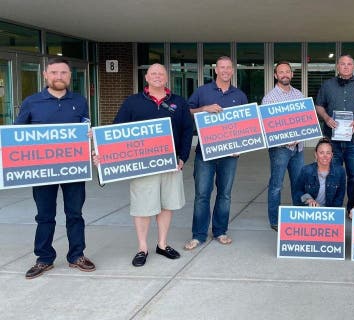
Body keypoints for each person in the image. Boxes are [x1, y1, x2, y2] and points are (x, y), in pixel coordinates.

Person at [15, 58, 95, 279]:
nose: (59, 77)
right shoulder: (31, 102)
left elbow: (85, 128)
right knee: (45, 216)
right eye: (54, 72)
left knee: (75, 214)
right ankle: (44, 258)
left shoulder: (80, 101)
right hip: (43, 171)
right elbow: (16, 135)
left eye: (63, 73)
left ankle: (76, 255)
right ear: (45, 75)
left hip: (74, 169)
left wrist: (89, 136)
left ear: (70, 76)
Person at [111, 63, 193, 267]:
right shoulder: (132, 102)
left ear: (166, 78)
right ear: (146, 77)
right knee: (143, 207)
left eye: (161, 74)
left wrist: (182, 157)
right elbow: (117, 130)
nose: (157, 76)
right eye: (153, 73)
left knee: (167, 205)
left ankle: (162, 244)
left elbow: (186, 130)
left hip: (171, 164)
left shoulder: (178, 102)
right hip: (143, 166)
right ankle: (142, 248)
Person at [185, 56, 248, 249]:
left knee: (225, 195)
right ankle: (198, 235)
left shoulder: (240, 95)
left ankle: (220, 231)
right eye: (222, 67)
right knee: (202, 194)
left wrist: (241, 147)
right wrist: (204, 109)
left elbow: (246, 125)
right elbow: (186, 112)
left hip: (230, 155)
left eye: (229, 67)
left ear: (232, 70)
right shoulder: (202, 91)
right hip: (205, 152)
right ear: (216, 70)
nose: (225, 71)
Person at [315, 54, 354, 210]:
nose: (346, 66)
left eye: (349, 64)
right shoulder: (327, 85)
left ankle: (352, 209)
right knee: (332, 175)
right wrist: (326, 118)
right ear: (337, 66)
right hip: (331, 141)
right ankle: (332, 209)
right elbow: (318, 105)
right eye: (343, 64)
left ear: (353, 67)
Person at [262, 61, 305, 231]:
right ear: (275, 75)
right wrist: (285, 139)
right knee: (276, 185)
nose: (285, 74)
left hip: (298, 148)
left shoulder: (299, 95)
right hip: (280, 149)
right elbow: (268, 127)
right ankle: (275, 220)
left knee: (298, 183)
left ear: (292, 74)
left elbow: (304, 119)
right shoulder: (269, 98)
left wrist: (298, 136)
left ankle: (299, 217)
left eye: (287, 71)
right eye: (281, 72)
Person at [292, 138, 346, 209]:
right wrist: (308, 199)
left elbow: (339, 198)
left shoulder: (340, 171)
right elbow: (297, 192)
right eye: (321, 152)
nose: (325, 156)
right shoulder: (306, 170)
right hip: (309, 211)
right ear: (316, 154)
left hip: (329, 213)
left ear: (332, 155)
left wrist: (330, 213)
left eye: (328, 153)